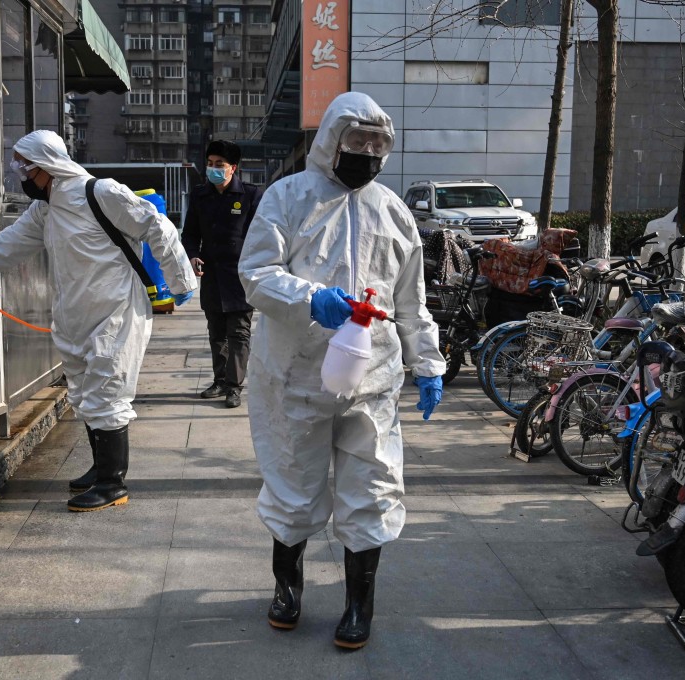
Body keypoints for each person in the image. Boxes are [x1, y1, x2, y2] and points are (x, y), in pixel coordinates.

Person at [238, 91, 445, 649]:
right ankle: (288, 589)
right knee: (293, 488)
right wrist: (311, 300)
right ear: (332, 139)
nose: (368, 154)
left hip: (371, 380)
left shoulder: (393, 211)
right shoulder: (288, 197)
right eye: (358, 141)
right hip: (295, 376)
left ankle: (359, 605)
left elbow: (411, 301)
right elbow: (256, 273)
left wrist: (426, 361)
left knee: (371, 489)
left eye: (378, 145)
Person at [0, 130, 197, 512]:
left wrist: (180, 278)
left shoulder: (100, 193)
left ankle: (111, 482)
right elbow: (2, 248)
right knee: (85, 394)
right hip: (73, 313)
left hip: (115, 311)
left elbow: (157, 226)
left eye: (28, 170)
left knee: (108, 390)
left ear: (48, 166)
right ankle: (99, 468)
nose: (23, 178)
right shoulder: (46, 210)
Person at [182, 140, 264, 408]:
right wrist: (193, 255)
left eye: (220, 165)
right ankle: (219, 380)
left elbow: (260, 236)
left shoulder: (250, 195)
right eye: (210, 163)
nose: (213, 169)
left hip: (239, 275)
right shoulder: (199, 195)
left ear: (233, 169)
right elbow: (190, 233)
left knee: (239, 332)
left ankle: (234, 386)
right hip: (212, 274)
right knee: (216, 331)